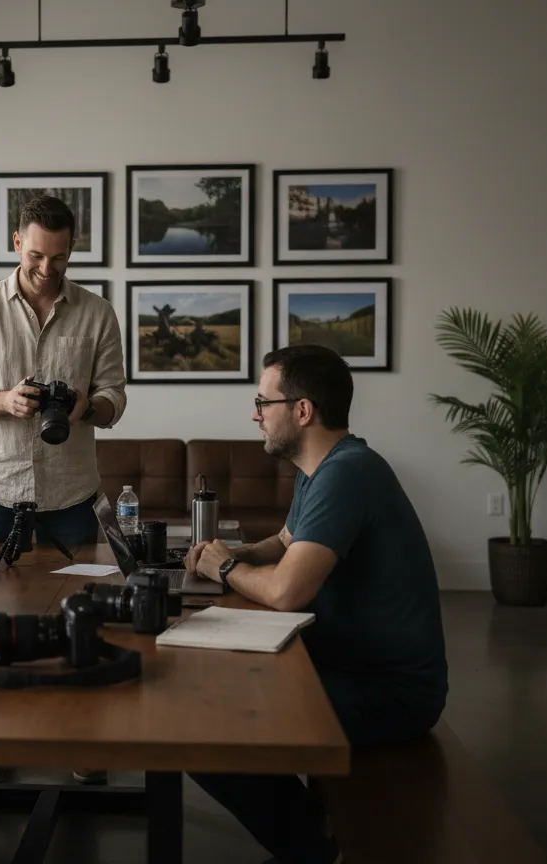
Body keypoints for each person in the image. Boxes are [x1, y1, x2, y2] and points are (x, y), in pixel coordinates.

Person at [183, 344, 449, 864]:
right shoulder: (323, 468)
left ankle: (311, 849)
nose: (254, 414)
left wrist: (227, 569)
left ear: (302, 411)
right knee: (211, 686)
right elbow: (284, 543)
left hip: (390, 693)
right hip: (343, 663)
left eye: (264, 402)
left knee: (201, 730)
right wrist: (223, 554)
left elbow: (286, 593)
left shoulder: (349, 473)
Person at [0, 194, 127, 785]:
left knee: (87, 620)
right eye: (38, 255)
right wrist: (5, 400)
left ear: (73, 250)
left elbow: (115, 400)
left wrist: (83, 407)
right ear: (17, 240)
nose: (48, 269)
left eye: (62, 258)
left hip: (73, 493)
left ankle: (85, 739)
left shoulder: (97, 313)